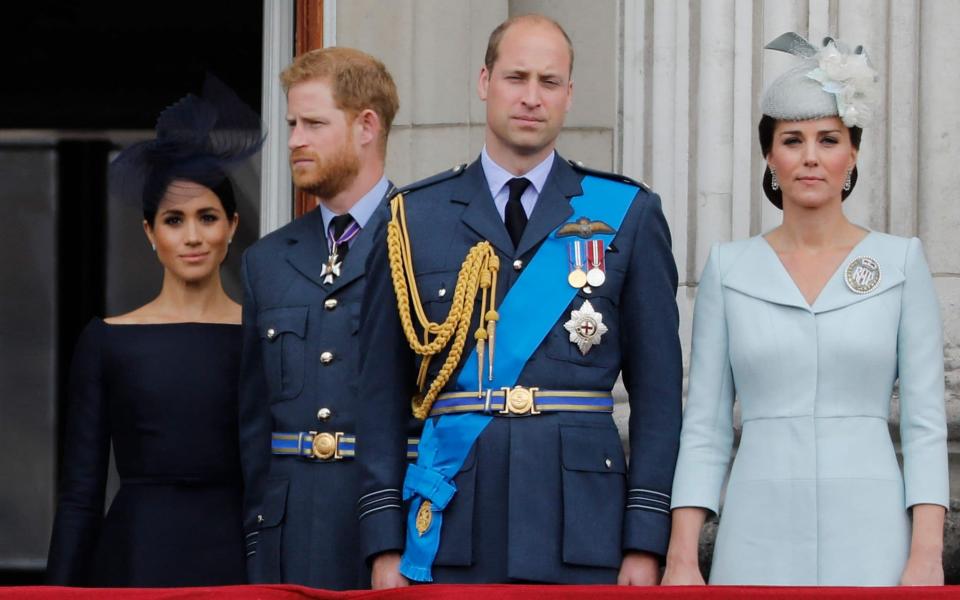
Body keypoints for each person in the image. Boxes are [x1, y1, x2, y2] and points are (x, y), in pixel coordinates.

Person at [356, 14, 682, 587]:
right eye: (516, 78)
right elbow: (379, 395)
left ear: (569, 94)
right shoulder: (413, 218)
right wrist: (384, 545)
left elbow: (658, 398)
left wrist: (645, 541)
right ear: (485, 81)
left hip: (584, 529)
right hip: (450, 528)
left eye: (549, 82)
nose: (532, 97)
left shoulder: (626, 213)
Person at [663, 32, 948, 586]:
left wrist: (926, 553)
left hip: (875, 535)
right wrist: (681, 555)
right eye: (793, 140)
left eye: (829, 139)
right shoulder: (729, 268)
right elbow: (705, 425)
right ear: (770, 155)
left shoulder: (900, 262)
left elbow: (923, 426)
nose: (811, 157)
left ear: (853, 152)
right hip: (755, 530)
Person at [46, 77, 263, 587]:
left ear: (231, 225)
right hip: (135, 561)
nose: (192, 236)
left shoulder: (261, 336)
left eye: (207, 217)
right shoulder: (108, 341)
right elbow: (80, 493)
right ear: (150, 232)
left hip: (240, 561)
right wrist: (54, 594)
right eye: (174, 219)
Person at [239, 47, 418, 590]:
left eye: (313, 123)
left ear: (367, 126)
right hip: (288, 536)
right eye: (292, 122)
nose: (294, 139)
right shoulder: (265, 260)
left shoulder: (428, 240)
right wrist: (257, 540)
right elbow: (253, 427)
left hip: (395, 533)